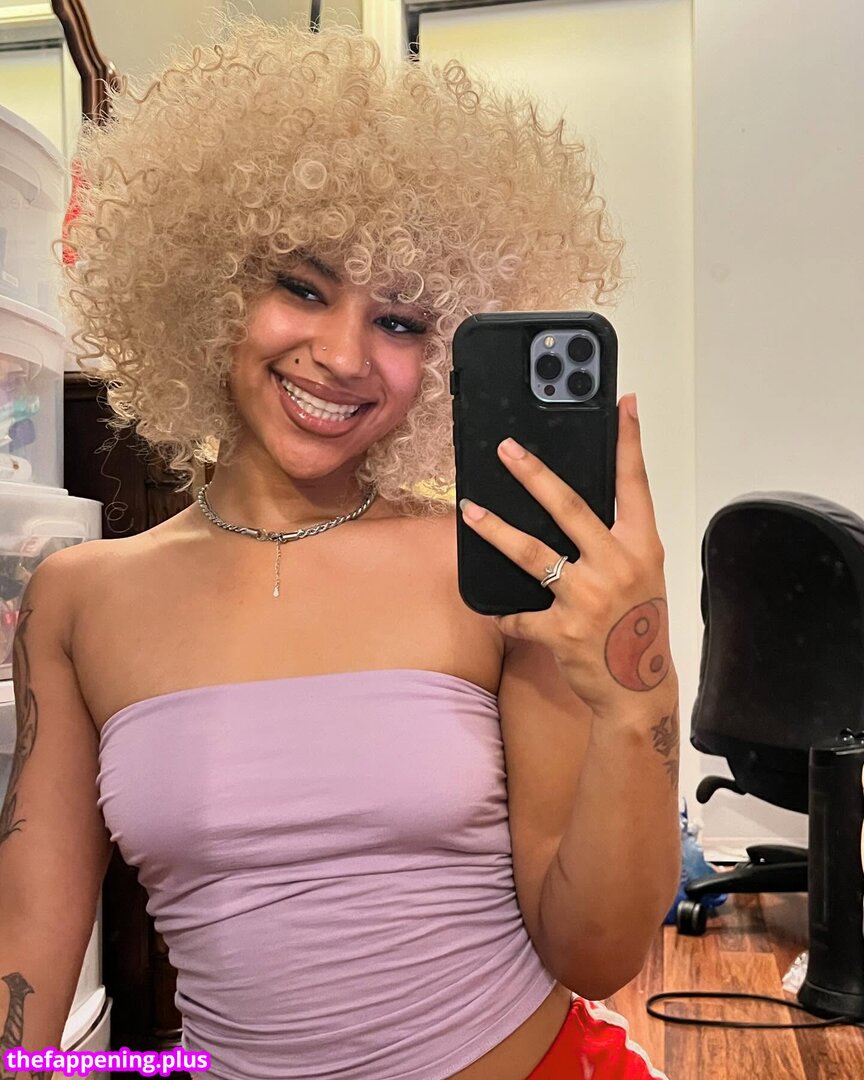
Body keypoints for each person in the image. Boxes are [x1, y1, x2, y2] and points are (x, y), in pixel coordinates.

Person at [0, 14, 680, 1080]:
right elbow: (27, 959)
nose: (343, 355)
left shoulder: (492, 567)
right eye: (303, 288)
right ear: (213, 289)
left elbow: (592, 954)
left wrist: (640, 691)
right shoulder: (77, 599)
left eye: (401, 321)